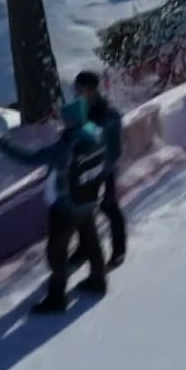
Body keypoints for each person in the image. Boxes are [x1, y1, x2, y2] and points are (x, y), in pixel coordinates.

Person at [0, 98, 110, 314]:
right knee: (90, 238)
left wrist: (0, 142)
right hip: (89, 197)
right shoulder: (96, 132)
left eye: (63, 117)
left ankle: (56, 298)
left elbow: (29, 158)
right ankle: (98, 280)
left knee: (56, 252)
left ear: (69, 120)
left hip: (65, 207)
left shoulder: (64, 147)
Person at [66, 71, 127, 270]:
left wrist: (104, 169)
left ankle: (118, 250)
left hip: (104, 170)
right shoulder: (82, 112)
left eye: (80, 90)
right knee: (83, 212)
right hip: (86, 172)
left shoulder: (108, 114)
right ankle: (84, 249)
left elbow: (114, 148)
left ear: (91, 91)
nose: (76, 94)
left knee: (109, 207)